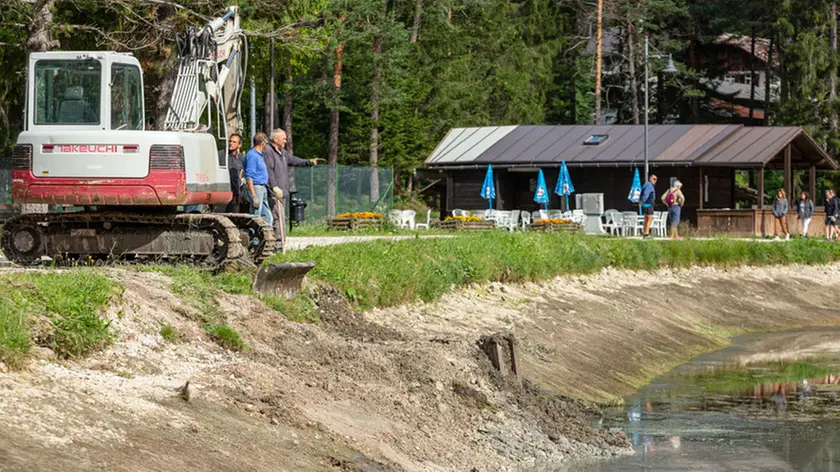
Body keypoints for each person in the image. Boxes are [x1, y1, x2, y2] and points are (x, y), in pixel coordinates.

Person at [264, 129, 321, 247]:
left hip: (283, 191)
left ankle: (281, 242)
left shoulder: (283, 153)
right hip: (275, 192)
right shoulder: (268, 151)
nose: (286, 140)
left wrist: (309, 162)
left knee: (281, 217)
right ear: (275, 139)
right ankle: (278, 245)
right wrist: (274, 187)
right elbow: (269, 171)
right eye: (283, 138)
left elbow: (294, 160)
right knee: (277, 217)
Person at [243, 132, 273, 226]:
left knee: (267, 218)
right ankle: (254, 240)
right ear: (262, 143)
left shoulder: (259, 155)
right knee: (256, 217)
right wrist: (254, 195)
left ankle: (266, 238)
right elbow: (249, 176)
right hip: (256, 188)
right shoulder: (252, 155)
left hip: (262, 188)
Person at [218, 133, 245, 213]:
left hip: (236, 194)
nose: (231, 143)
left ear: (239, 145)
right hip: (222, 192)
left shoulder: (241, 159)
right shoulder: (220, 155)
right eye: (230, 141)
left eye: (234, 142)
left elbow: (244, 174)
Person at [639, 174, 657, 239]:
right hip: (649, 204)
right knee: (649, 218)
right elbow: (645, 194)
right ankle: (646, 233)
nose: (655, 181)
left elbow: (643, 193)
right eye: (654, 179)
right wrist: (642, 201)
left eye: (656, 179)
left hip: (646, 204)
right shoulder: (649, 185)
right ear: (650, 179)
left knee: (646, 219)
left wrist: (641, 201)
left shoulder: (646, 184)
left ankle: (645, 233)